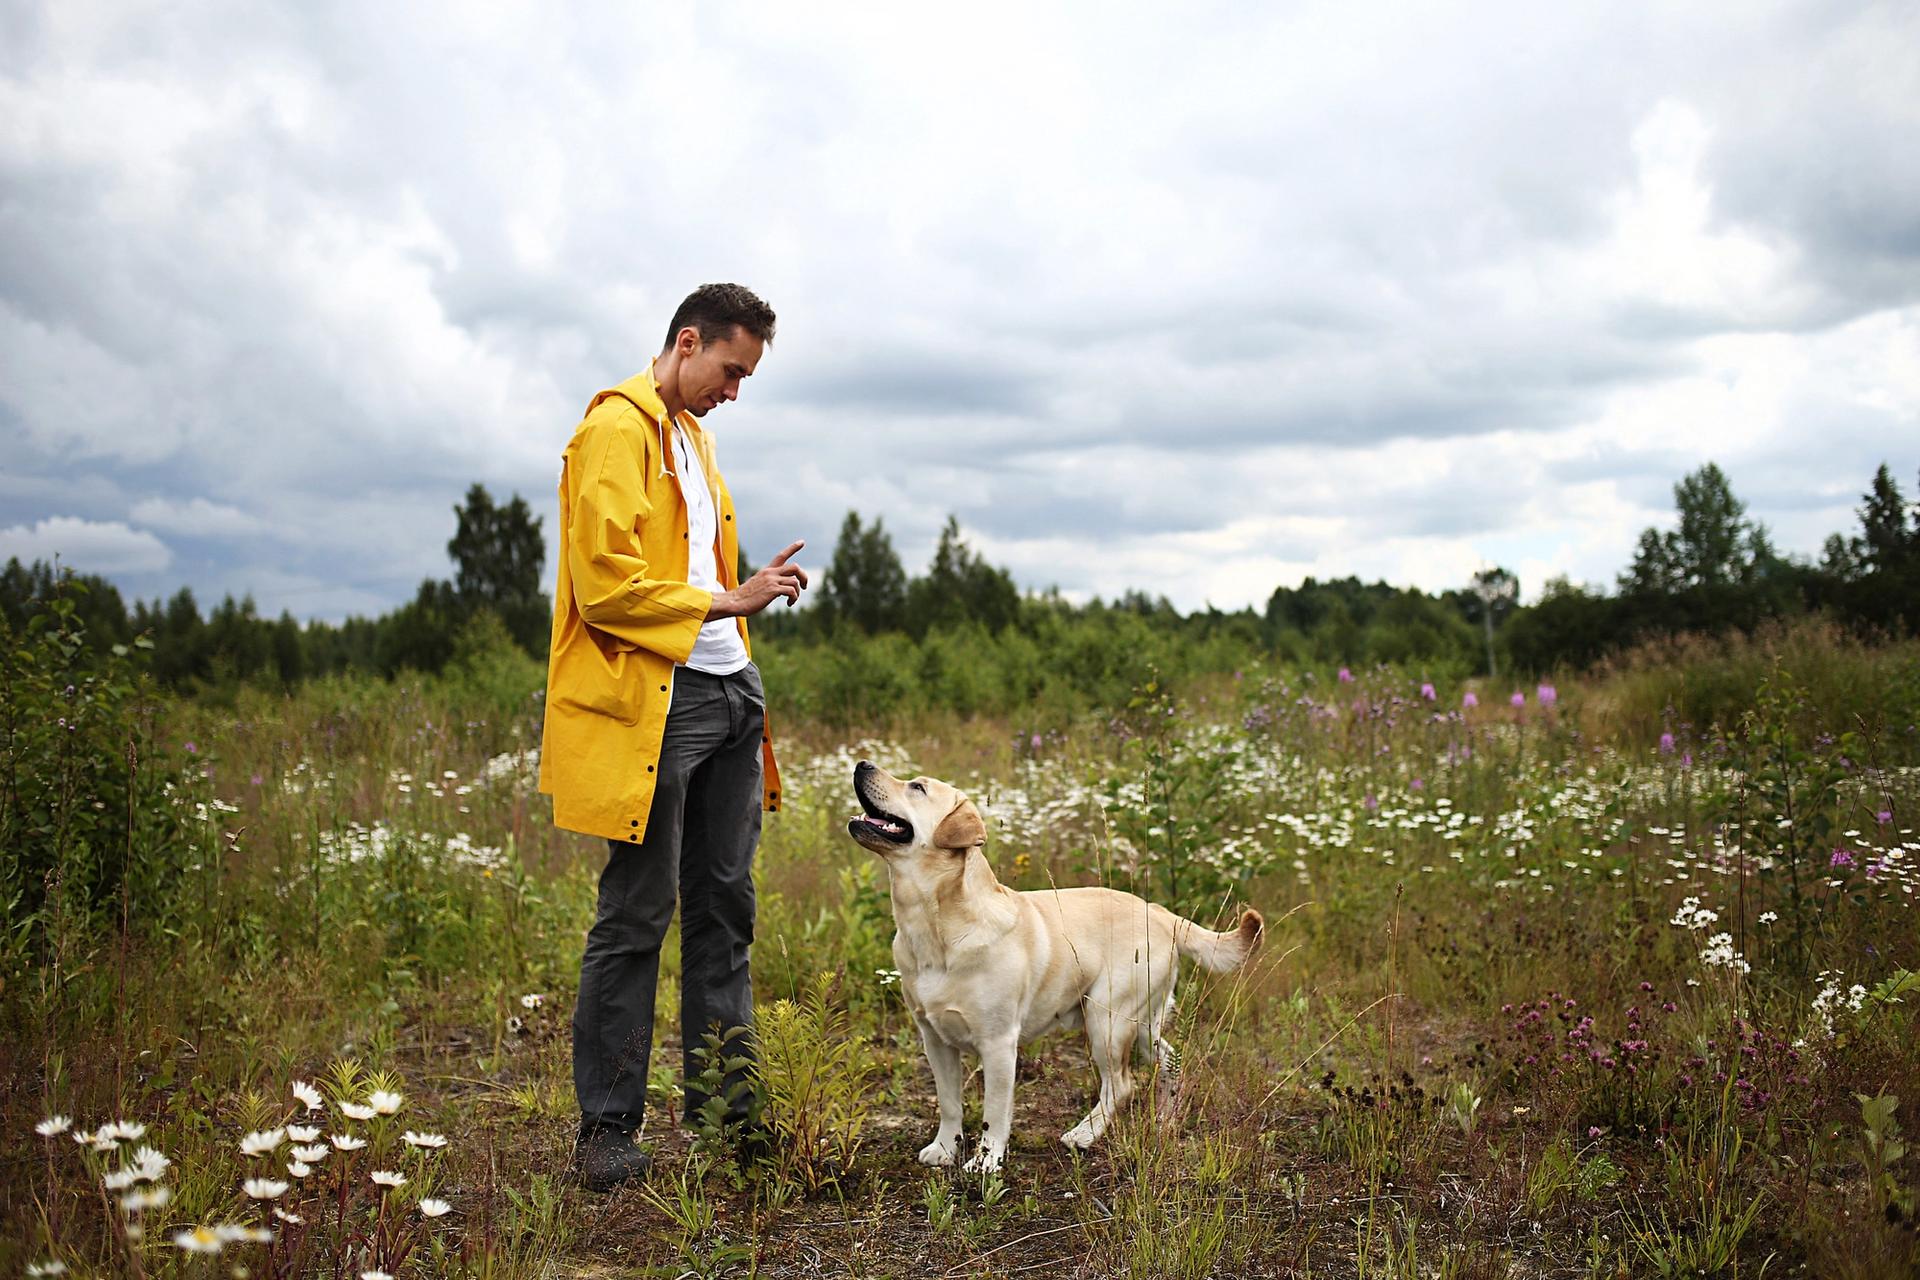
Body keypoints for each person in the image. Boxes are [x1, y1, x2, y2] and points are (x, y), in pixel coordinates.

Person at [539, 283, 808, 1191]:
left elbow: (691, 565)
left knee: (725, 909)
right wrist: (721, 599)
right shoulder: (612, 432)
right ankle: (607, 1131)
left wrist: (740, 588)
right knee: (636, 913)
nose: (735, 390)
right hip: (659, 701)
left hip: (733, 688)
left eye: (746, 378)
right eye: (730, 370)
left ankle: (729, 1115)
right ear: (687, 343)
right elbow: (605, 585)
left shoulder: (695, 435)